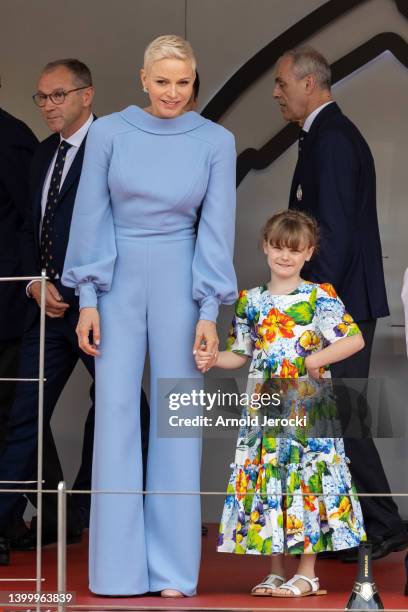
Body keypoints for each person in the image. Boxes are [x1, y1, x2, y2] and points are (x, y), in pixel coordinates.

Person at [62, 35, 237, 597]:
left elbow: (216, 229)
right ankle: (115, 570)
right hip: (115, 281)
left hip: (183, 283)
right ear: (143, 79)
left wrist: (209, 311)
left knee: (177, 420)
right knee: (114, 415)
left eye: (183, 82)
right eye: (162, 81)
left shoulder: (217, 140)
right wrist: (87, 300)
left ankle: (172, 571)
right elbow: (90, 214)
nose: (172, 92)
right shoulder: (110, 131)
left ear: (194, 81)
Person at [0, 58, 148, 564]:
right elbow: (28, 228)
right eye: (41, 97)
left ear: (87, 95)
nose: (47, 106)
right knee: (25, 415)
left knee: (128, 410)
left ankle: (88, 511)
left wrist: (96, 292)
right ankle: (2, 521)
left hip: (100, 309)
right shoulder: (42, 154)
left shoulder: (116, 147)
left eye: (58, 95)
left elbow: (129, 229)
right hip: (46, 309)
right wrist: (34, 285)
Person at [273, 46, 408, 560]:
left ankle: (383, 524)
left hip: (340, 305)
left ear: (311, 84)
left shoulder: (330, 139)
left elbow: (331, 234)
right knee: (334, 416)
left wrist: (312, 306)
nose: (277, 93)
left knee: (340, 415)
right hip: (345, 300)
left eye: (283, 83)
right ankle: (368, 523)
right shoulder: (327, 135)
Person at [196, 210, 366, 597]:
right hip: (265, 405)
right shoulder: (249, 301)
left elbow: (353, 339)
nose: (285, 256)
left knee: (307, 479)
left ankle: (307, 573)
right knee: (270, 481)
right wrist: (211, 359)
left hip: (308, 403)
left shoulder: (319, 296)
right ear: (265, 246)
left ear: (309, 253)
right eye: (277, 247)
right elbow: (239, 353)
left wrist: (314, 360)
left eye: (295, 249)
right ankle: (276, 569)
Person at [0, 107, 38, 565]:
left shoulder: (10, 137)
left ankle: (7, 523)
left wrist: (29, 280)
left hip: (9, 301)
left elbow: (27, 224)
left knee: (13, 412)